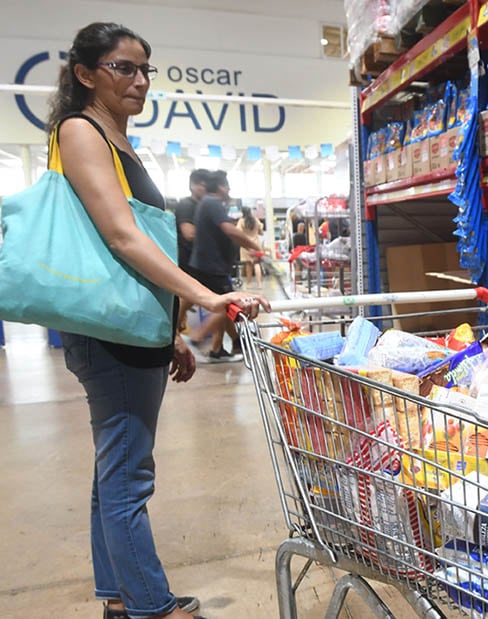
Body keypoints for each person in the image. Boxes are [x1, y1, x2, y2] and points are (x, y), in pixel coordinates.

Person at [47, 22, 268, 619]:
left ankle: (120, 597)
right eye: (123, 67)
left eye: (145, 69)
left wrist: (169, 329)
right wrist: (207, 297)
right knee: (127, 478)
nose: (139, 81)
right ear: (86, 73)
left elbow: (134, 241)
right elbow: (120, 238)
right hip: (110, 335)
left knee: (113, 472)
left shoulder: (115, 139)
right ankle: (153, 607)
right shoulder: (80, 130)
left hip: (128, 329)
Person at [187, 170, 263, 362]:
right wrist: (254, 245)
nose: (229, 189)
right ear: (221, 186)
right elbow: (229, 230)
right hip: (212, 265)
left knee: (220, 305)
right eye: (227, 185)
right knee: (226, 305)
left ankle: (217, 348)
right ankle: (198, 336)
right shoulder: (212, 203)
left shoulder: (207, 203)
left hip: (208, 264)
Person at [173, 169, 209, 332]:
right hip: (188, 261)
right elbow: (188, 233)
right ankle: (175, 335)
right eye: (202, 185)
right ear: (192, 186)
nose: (206, 188)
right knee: (187, 298)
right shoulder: (187, 205)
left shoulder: (202, 205)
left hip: (200, 262)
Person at [236, 206, 264, 289]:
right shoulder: (255, 220)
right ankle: (259, 284)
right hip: (256, 244)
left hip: (246, 245)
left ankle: (249, 284)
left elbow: (238, 231)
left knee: (248, 264)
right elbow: (261, 231)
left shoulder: (241, 221)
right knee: (257, 264)